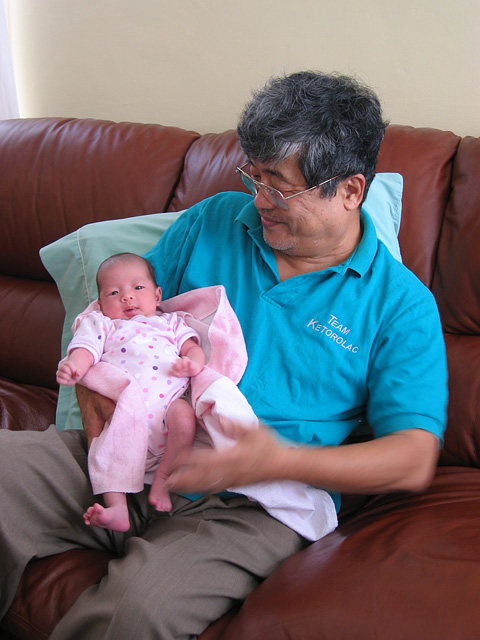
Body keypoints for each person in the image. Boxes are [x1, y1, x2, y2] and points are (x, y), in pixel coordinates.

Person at [0, 71, 448, 640]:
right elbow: (126, 318)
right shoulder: (213, 221)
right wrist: (90, 390)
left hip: (249, 503)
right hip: (129, 445)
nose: (258, 199)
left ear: (350, 191)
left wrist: (273, 461)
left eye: (278, 187)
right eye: (253, 175)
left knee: (137, 612)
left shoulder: (401, 306)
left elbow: (411, 458)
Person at [56, 252, 206, 529]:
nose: (127, 297)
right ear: (100, 304)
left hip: (168, 409)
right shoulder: (103, 324)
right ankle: (117, 508)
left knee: (185, 419)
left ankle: (162, 481)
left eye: (138, 288)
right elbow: (85, 348)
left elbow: (193, 348)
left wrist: (193, 364)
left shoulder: (171, 323)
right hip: (126, 411)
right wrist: (74, 366)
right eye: (114, 293)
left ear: (157, 295)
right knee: (107, 446)